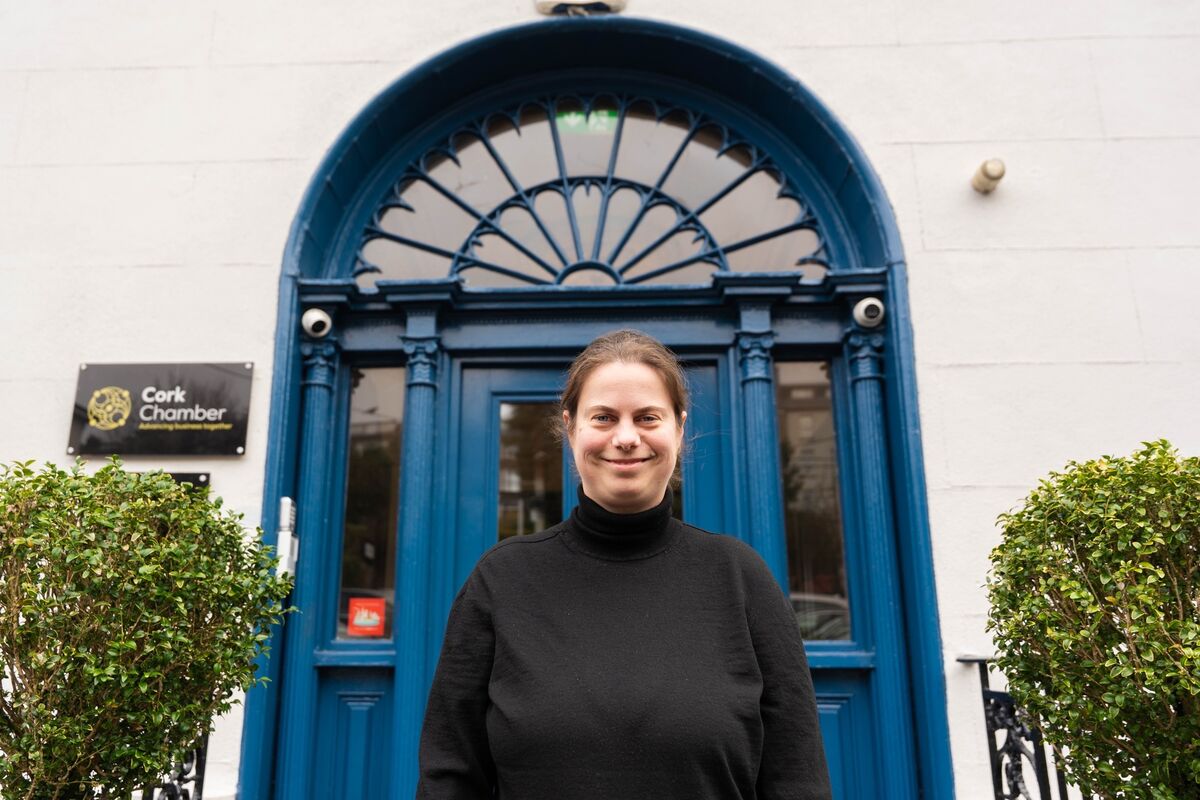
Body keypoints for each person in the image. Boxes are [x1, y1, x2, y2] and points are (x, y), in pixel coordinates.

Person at [417, 329, 833, 800]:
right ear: (571, 428)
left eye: (648, 417)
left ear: (679, 427)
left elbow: (797, 780)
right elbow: (450, 777)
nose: (627, 438)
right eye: (604, 417)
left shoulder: (739, 577)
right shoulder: (502, 579)